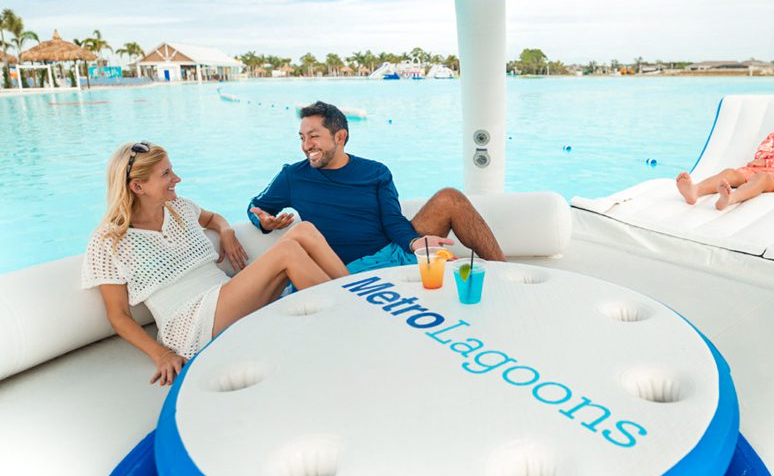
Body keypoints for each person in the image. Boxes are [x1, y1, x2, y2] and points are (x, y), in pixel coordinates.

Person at [81, 142, 348, 385]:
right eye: (165, 174)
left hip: (224, 299)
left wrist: (226, 231)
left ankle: (356, 295)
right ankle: (348, 321)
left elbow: (213, 218)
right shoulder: (108, 240)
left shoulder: (180, 208)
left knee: (305, 231)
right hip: (190, 326)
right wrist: (161, 354)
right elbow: (118, 316)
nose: (176, 178)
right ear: (137, 187)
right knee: (288, 250)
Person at [248, 101, 506, 272]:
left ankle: (505, 272)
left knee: (450, 197)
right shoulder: (292, 175)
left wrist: (414, 242)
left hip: (391, 255)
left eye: (314, 136)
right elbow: (256, 206)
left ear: (340, 137)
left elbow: (392, 220)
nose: (306, 146)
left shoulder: (375, 172)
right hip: (340, 270)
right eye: (302, 138)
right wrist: (263, 221)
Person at [676, 100, 774, 210]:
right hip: (761, 169)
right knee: (730, 173)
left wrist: (770, 162)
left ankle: (731, 198)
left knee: (762, 178)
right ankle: (695, 190)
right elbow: (761, 155)